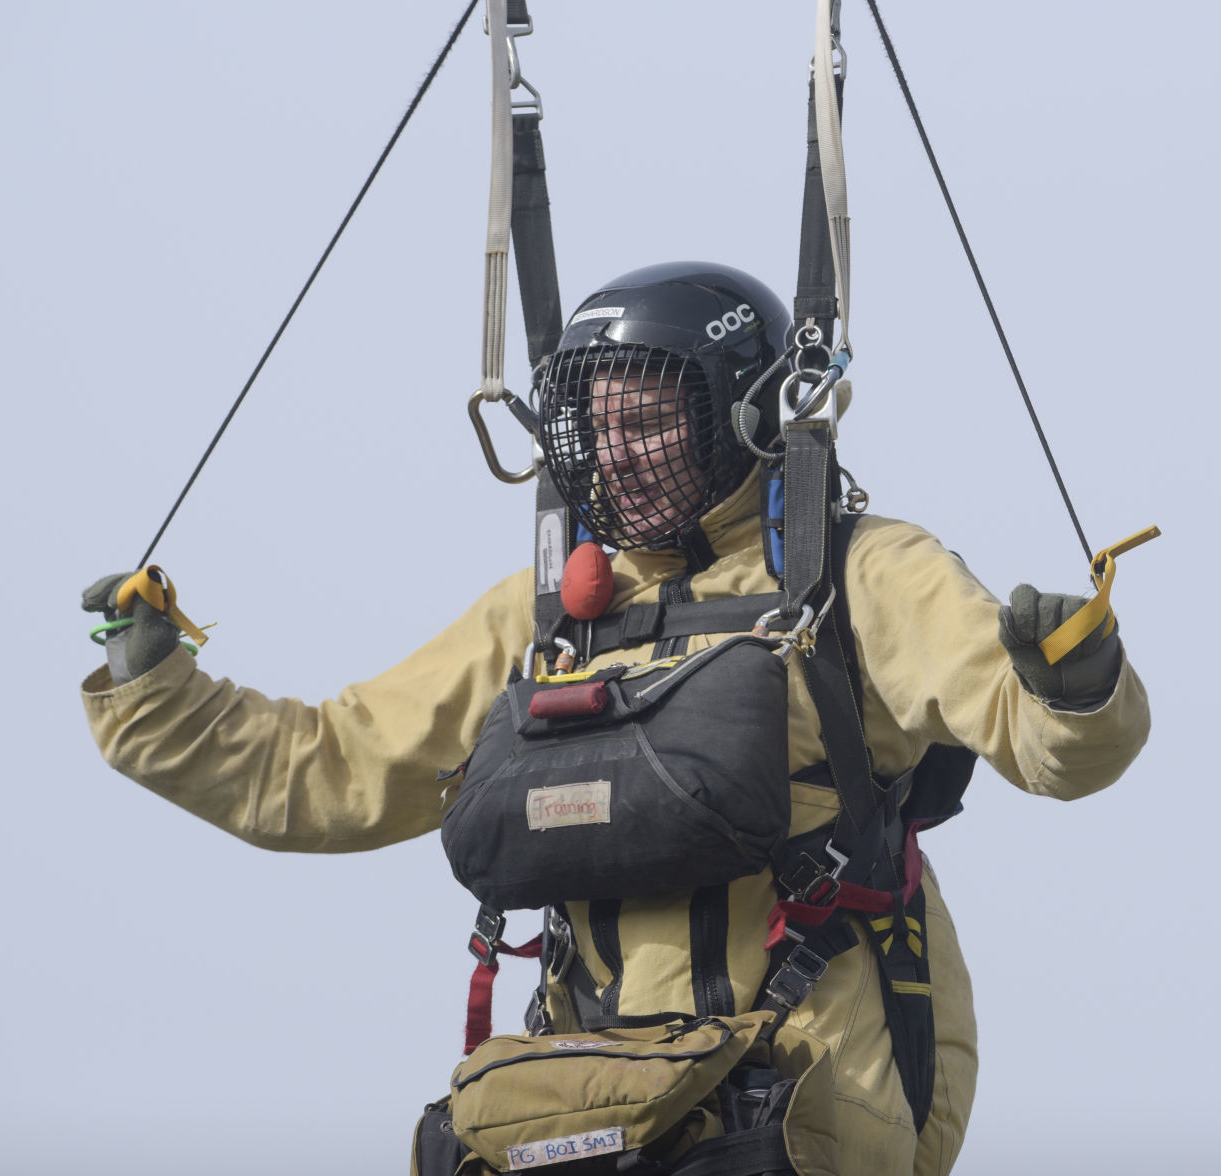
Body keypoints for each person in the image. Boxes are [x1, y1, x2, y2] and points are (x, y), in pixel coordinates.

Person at [81, 262, 1151, 1176]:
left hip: (807, 1092)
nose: (617, 450)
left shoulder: (861, 575)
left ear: (741, 409)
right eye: (595, 424)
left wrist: (1073, 683)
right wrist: (156, 694)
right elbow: (332, 768)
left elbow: (1040, 743)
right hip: (598, 1111)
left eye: (648, 420)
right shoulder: (544, 616)